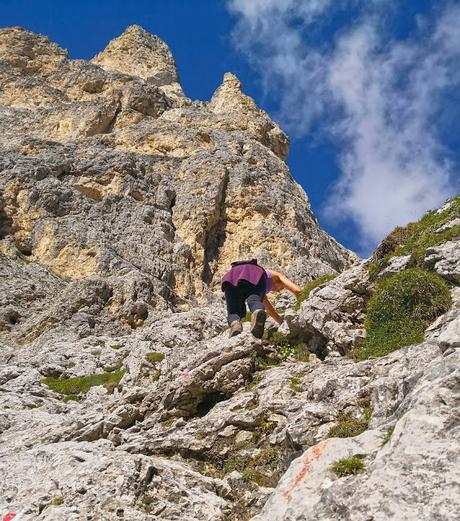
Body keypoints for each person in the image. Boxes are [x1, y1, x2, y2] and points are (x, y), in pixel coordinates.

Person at [221, 259, 301, 338]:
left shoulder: (262, 290)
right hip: (253, 272)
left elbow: (270, 310)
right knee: (254, 300)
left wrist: (282, 324)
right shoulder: (276, 276)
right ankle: (254, 312)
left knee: (234, 310)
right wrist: (301, 308)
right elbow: (298, 290)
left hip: (231, 277)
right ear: (279, 283)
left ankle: (235, 323)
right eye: (281, 289)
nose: (278, 291)